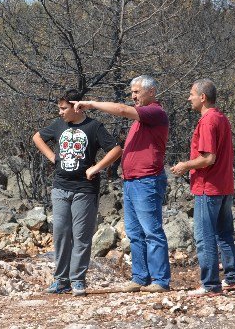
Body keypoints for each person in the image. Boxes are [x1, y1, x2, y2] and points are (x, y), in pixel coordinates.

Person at [71, 75, 171, 293]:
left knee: (151, 231)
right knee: (135, 233)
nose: (133, 96)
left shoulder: (155, 112)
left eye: (137, 92)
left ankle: (160, 280)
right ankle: (140, 277)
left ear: (151, 92)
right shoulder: (140, 121)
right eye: (132, 92)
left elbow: (122, 109)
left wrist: (91, 104)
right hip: (132, 181)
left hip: (147, 181)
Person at [33, 89, 122, 296]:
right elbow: (37, 137)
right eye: (59, 108)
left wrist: (96, 167)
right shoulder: (58, 125)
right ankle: (61, 280)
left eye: (64, 108)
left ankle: (78, 280)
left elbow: (116, 149)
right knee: (61, 234)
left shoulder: (94, 127)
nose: (60, 112)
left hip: (85, 189)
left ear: (76, 106)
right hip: (60, 187)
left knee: (81, 236)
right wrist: (53, 158)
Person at [170, 78, 235, 296]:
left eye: (192, 94)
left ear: (202, 97)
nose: (189, 98)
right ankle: (233, 278)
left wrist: (185, 165)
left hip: (208, 187)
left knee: (204, 237)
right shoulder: (222, 118)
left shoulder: (207, 121)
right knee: (224, 234)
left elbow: (208, 158)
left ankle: (210, 284)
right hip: (224, 186)